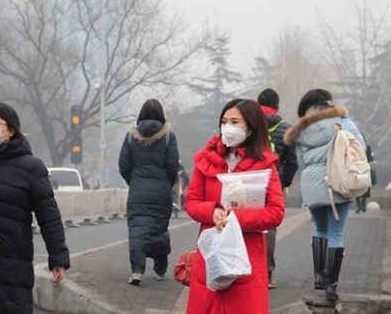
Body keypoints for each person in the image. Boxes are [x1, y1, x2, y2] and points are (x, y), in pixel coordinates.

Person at [0, 102, 70, 314]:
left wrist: (58, 258)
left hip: (10, 268)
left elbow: (49, 216)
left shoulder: (30, 167)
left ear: (11, 130)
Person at [184, 99, 285, 314]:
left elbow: (275, 212)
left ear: (250, 127)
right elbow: (191, 202)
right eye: (224, 121)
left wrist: (235, 218)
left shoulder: (265, 163)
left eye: (234, 122)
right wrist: (212, 211)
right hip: (211, 252)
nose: (227, 127)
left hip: (248, 254)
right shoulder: (206, 160)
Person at [284, 89, 365, 302]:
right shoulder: (344, 122)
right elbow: (360, 148)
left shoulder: (301, 129)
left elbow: (301, 163)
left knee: (320, 228)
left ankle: (319, 277)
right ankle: (331, 285)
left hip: (312, 184)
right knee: (336, 235)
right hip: (339, 181)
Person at [118, 99, 179, 286]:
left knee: (137, 230)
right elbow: (172, 166)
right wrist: (166, 185)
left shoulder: (131, 137)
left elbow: (123, 166)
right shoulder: (169, 137)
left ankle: (137, 270)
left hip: (137, 191)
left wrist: (135, 181)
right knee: (159, 228)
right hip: (161, 191)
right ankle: (160, 268)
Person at [257, 88, 299, 289]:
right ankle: (266, 274)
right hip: (274, 183)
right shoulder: (287, 129)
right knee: (269, 226)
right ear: (277, 107)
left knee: (246, 223)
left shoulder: (249, 125)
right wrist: (285, 182)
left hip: (250, 181)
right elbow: (293, 162)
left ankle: (246, 271)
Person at [355, 140, 374, 213]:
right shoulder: (367, 147)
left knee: (357, 186)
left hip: (357, 168)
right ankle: (362, 205)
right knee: (364, 186)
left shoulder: (354, 146)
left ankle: (359, 205)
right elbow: (371, 158)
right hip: (365, 168)